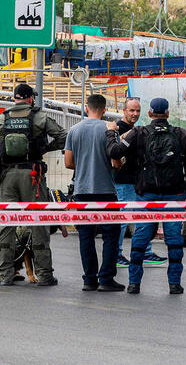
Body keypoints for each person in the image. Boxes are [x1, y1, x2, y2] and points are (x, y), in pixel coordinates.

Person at [107, 97, 186, 295]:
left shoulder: (139, 133)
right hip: (174, 195)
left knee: (140, 238)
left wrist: (111, 132)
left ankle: (134, 284)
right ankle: (174, 284)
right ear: (168, 113)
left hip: (146, 194)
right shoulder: (181, 134)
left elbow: (115, 151)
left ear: (149, 114)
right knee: (174, 240)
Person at [0, 83, 67, 286]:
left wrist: (3, 154)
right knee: (38, 224)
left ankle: (6, 275)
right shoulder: (40, 117)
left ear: (14, 98)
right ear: (30, 98)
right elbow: (64, 136)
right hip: (33, 175)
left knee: (7, 225)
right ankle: (44, 275)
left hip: (8, 176)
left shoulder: (1, 119)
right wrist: (45, 148)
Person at [65, 94, 124, 292]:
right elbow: (116, 162)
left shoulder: (74, 130)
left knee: (86, 235)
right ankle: (106, 278)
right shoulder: (109, 130)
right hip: (106, 190)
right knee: (110, 235)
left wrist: (83, 166)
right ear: (104, 110)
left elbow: (68, 163)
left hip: (82, 191)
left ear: (86, 108)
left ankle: (89, 279)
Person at [112, 97, 165, 268]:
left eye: (137, 111)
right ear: (124, 111)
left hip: (138, 182)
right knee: (123, 219)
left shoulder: (137, 130)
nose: (135, 114)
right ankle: (116, 255)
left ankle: (145, 252)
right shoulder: (118, 129)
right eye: (131, 110)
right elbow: (113, 152)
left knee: (143, 218)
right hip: (123, 182)